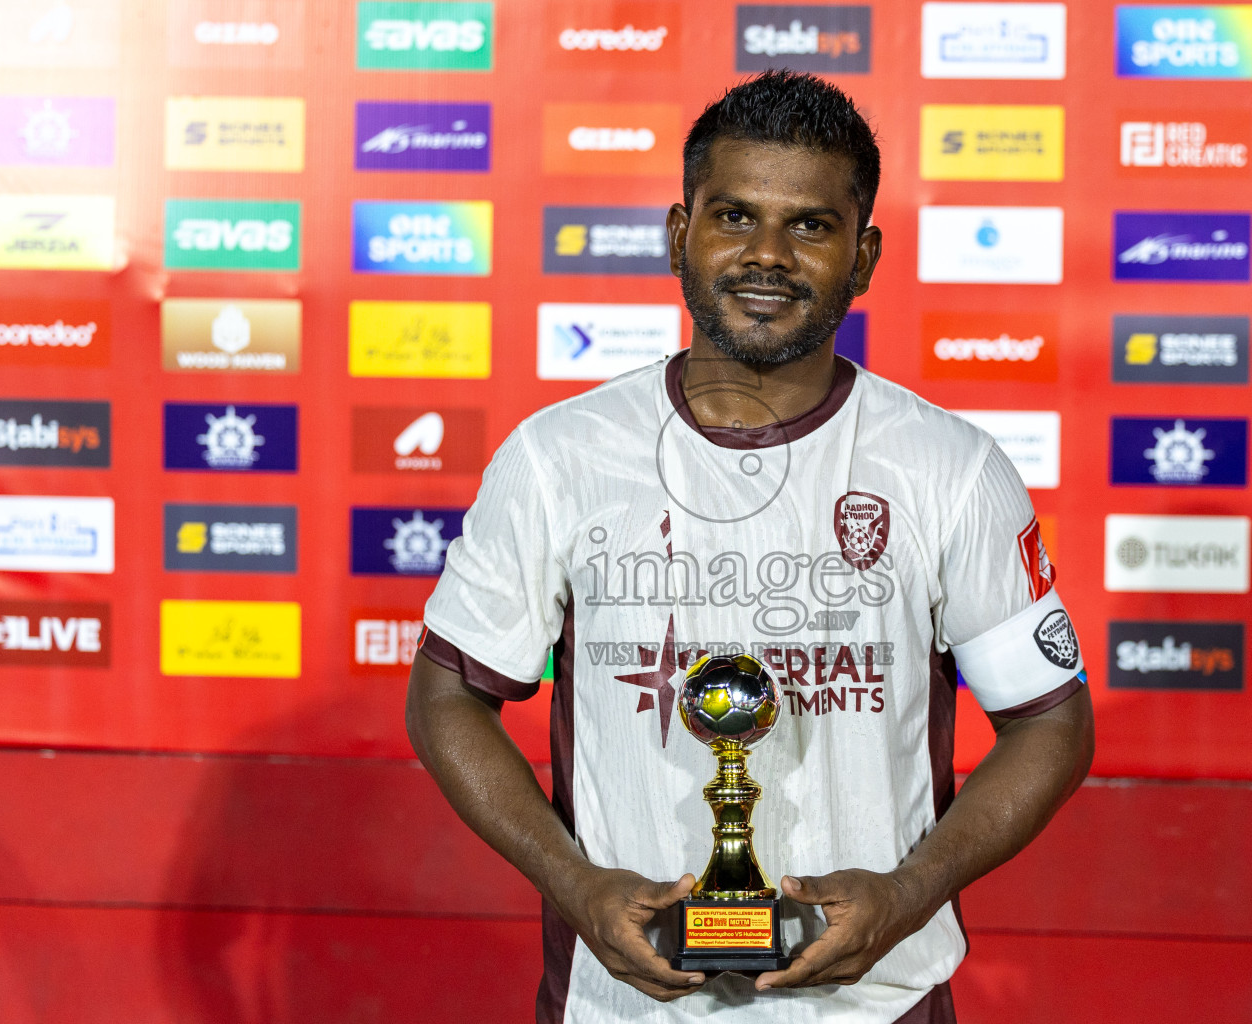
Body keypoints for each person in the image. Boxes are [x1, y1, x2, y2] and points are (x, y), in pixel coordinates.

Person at [406, 70, 1094, 1024]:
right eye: (735, 217)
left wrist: (906, 894)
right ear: (680, 234)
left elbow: (1050, 723)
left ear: (864, 255)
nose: (766, 255)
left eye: (810, 226)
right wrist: (575, 884)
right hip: (623, 1006)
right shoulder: (558, 456)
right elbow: (448, 694)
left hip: (876, 1003)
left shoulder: (950, 468)